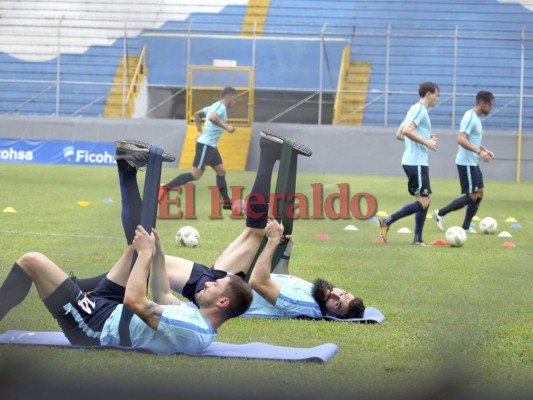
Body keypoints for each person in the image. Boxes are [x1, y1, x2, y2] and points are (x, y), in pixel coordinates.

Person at [75, 132, 365, 320]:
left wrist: (273, 242)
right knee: (144, 258)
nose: (336, 295)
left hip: (225, 287)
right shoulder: (314, 292)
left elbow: (259, 283)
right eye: (343, 293)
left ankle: (125, 168)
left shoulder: (307, 307)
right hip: (221, 278)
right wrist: (283, 254)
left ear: (330, 314)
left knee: (143, 251)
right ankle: (80, 287)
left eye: (337, 304)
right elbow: (280, 277)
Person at [0, 140, 253, 355]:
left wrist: (146, 255)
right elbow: (163, 295)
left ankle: (128, 168)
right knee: (139, 243)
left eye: (215, 285)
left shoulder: (191, 331)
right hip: (112, 309)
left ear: (222, 301)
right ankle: (127, 166)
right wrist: (156, 253)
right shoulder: (197, 317)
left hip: (94, 327)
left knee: (31, 260)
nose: (208, 282)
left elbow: (134, 300)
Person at [379, 82, 440, 246]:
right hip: (416, 162)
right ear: (428, 94)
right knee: (423, 202)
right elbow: (406, 131)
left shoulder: (413, 108)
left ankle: (417, 239)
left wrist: (424, 136)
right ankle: (387, 220)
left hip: (412, 161)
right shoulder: (420, 110)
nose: (437, 99)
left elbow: (399, 134)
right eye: (436, 94)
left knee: (426, 199)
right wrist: (426, 142)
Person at [159, 86, 238, 209]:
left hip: (211, 146)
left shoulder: (215, 105)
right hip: (206, 145)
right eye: (234, 99)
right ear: (228, 97)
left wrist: (200, 131)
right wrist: (226, 127)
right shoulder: (220, 107)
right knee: (195, 175)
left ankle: (227, 203)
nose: (234, 102)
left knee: (221, 171)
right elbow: (212, 117)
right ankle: (164, 188)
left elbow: (197, 114)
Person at [432, 91, 495, 232]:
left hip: (473, 162)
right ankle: (440, 213)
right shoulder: (470, 117)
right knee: (472, 195)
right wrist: (480, 152)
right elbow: (461, 139)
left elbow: (472, 139)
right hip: (466, 162)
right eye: (490, 105)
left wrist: (485, 149)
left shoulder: (477, 118)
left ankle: (466, 227)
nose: (491, 108)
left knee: (480, 193)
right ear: (483, 103)